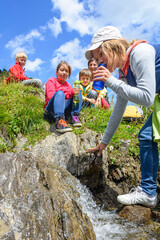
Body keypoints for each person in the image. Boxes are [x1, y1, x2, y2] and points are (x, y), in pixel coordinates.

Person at [85, 25, 160, 208]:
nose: (99, 62)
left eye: (100, 55)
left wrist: (111, 81)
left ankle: (149, 192)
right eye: (96, 59)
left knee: (146, 135)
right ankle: (149, 192)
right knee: (147, 135)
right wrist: (104, 142)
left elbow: (147, 98)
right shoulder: (123, 74)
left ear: (111, 47)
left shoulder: (139, 53)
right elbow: (118, 109)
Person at [44, 60, 82, 133]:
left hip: (64, 110)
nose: (64, 72)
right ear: (57, 72)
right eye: (61, 70)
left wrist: (72, 92)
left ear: (69, 74)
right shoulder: (51, 81)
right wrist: (69, 93)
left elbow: (69, 96)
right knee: (60, 93)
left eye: (66, 71)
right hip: (51, 111)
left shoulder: (68, 85)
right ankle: (59, 121)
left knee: (78, 91)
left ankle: (74, 117)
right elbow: (50, 97)